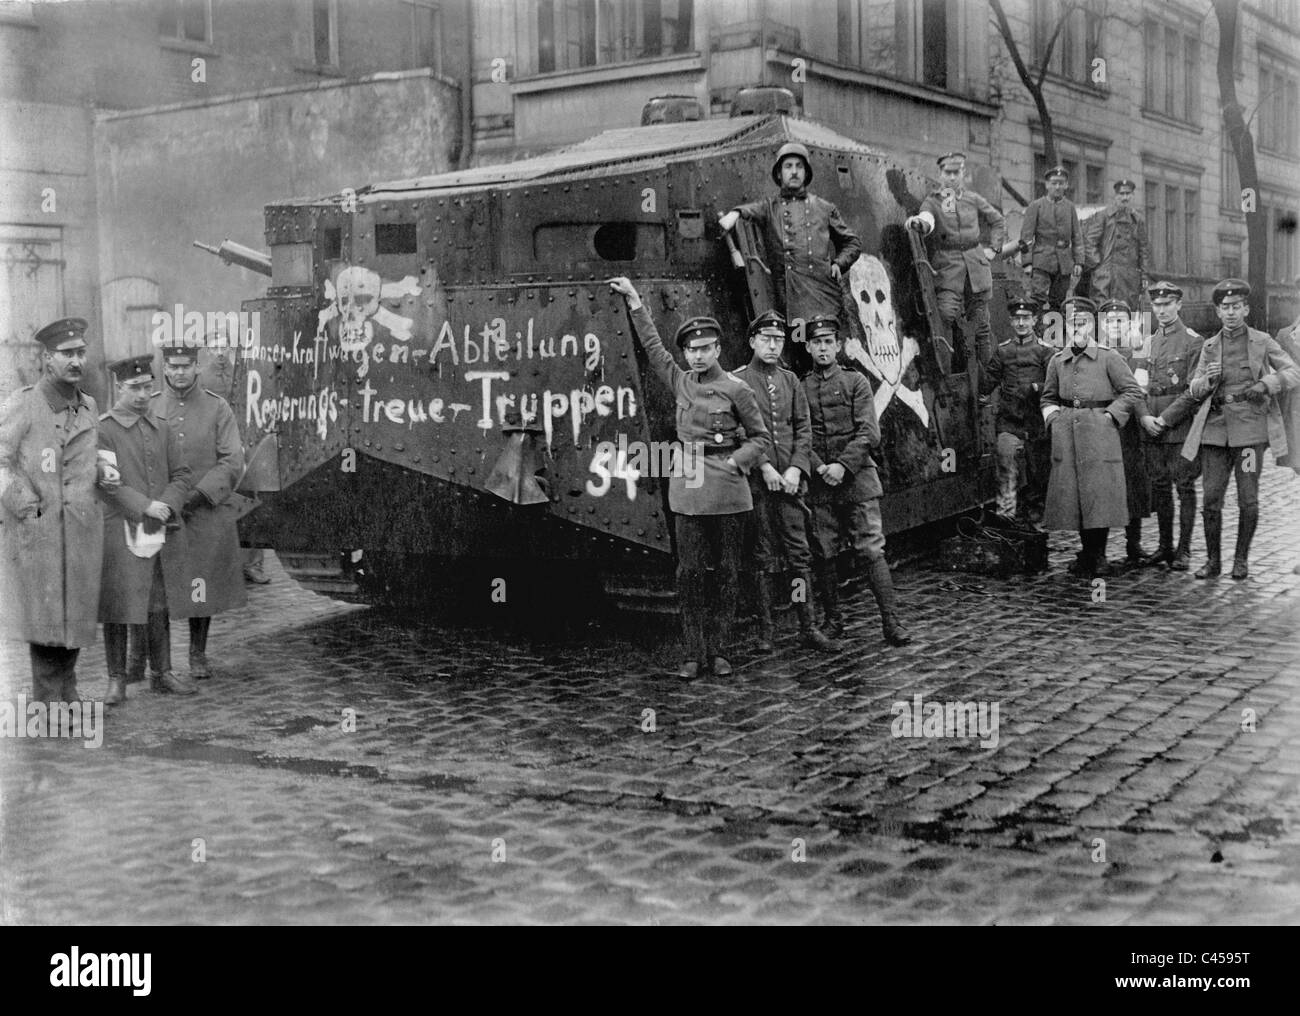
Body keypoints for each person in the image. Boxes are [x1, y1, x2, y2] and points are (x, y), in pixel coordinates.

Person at [609, 277, 769, 679]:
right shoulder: (680, 381)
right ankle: (693, 652)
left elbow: (760, 437)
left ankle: (720, 650)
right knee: (690, 572)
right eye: (691, 350)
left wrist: (738, 462)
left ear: (717, 349)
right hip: (689, 483)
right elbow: (653, 349)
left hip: (729, 487)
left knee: (728, 571)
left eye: (704, 349)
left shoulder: (737, 389)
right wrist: (634, 300)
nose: (697, 356)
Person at [1156, 279, 1300, 579]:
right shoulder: (1209, 346)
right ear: (1218, 312)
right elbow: (1193, 388)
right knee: (1211, 498)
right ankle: (1212, 561)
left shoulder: (1263, 341)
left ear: (1246, 309)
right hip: (1215, 432)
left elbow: (1292, 371)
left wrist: (1266, 383)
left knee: (1248, 498)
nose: (1231, 313)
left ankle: (1241, 559)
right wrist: (1206, 381)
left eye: (1236, 307)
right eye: (1225, 308)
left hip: (1249, 433)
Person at [0, 317, 109, 712]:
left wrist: (102, 471)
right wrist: (26, 507)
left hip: (80, 529)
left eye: (81, 353)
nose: (76, 361)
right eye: (67, 354)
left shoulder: (90, 405)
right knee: (46, 619)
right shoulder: (23, 404)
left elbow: (86, 460)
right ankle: (49, 701)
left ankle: (67, 690)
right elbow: (1, 460)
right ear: (48, 358)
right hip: (41, 531)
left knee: (75, 615)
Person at [732, 310, 839, 653]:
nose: (773, 346)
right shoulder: (739, 381)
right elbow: (739, 430)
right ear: (752, 341)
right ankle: (767, 632)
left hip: (792, 485)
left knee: (799, 556)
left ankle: (807, 626)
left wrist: (795, 469)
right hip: (759, 485)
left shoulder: (791, 381)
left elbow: (802, 430)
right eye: (766, 339)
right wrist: (765, 467)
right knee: (762, 557)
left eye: (779, 340)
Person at [802, 316, 911, 646]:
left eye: (828, 342)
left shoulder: (856, 382)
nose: (823, 348)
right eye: (816, 342)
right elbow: (800, 435)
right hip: (821, 485)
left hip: (857, 480)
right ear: (808, 347)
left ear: (837, 346)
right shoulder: (801, 386)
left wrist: (842, 467)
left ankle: (891, 622)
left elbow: (869, 433)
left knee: (871, 549)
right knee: (824, 552)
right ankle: (833, 622)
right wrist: (822, 468)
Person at [97, 354, 194, 702]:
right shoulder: (104, 429)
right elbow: (107, 484)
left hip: (158, 528)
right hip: (120, 528)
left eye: (147, 387)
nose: (141, 395)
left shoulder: (162, 427)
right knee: (117, 606)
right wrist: (144, 506)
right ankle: (116, 679)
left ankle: (162, 672)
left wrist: (166, 503)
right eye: (134, 388)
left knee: (158, 604)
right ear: (118, 388)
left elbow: (182, 474)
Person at [153, 341, 247, 678]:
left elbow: (232, 460)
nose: (179, 373)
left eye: (185, 366)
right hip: (161, 512)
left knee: (199, 584)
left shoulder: (216, 408)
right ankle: (160, 665)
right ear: (164, 369)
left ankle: (197, 654)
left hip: (202, 511)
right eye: (173, 367)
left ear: (197, 368)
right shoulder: (151, 407)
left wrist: (199, 494)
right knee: (158, 590)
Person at [1040, 296, 1144, 577]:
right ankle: (1085, 553)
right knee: (1076, 498)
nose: (1078, 328)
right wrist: (1053, 419)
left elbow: (1132, 391)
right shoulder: (1057, 361)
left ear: (1093, 325)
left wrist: (1110, 416)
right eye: (1072, 323)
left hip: (1100, 437)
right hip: (1068, 438)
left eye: (1083, 322)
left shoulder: (1109, 357)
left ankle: (1098, 556)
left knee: (1098, 495)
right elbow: (1048, 397)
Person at [718, 142, 862, 339]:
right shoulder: (770, 207)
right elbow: (750, 209)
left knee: (824, 348)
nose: (794, 172)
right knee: (799, 349)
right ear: (779, 174)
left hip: (823, 294)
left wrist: (839, 263)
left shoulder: (824, 208)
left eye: (799, 166)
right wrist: (734, 214)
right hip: (790, 298)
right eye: (788, 166)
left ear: (806, 173)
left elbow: (852, 242)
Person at [905, 152, 1006, 366]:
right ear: (940, 174)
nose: (951, 177)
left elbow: (997, 221)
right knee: (945, 316)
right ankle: (948, 374)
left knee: (981, 325)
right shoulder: (933, 201)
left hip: (976, 267)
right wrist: (920, 223)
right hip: (949, 267)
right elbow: (927, 218)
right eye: (947, 173)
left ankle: (986, 383)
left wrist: (994, 249)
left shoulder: (973, 199)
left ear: (963, 173)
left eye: (956, 173)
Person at [1134, 282, 1202, 570]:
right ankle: (1164, 546)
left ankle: (1183, 549)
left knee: (1183, 486)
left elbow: (1195, 391)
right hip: (1151, 425)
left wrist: (1165, 419)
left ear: (1179, 305)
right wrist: (1145, 417)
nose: (1161, 310)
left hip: (1178, 427)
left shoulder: (1193, 342)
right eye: (1157, 305)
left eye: (1167, 304)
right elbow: (1135, 387)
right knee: (1159, 486)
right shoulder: (1147, 343)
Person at [980, 297, 1054, 523]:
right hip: (1010, 421)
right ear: (1011, 322)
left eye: (1026, 318)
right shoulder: (1003, 351)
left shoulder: (1045, 352)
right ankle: (1006, 515)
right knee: (1005, 464)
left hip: (1036, 421)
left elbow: (1055, 385)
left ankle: (1035, 517)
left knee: (1038, 472)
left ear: (1034, 321)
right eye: (1017, 319)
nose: (1021, 323)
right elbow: (987, 382)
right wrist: (982, 393)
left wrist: (1036, 388)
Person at [1099, 297, 1153, 564]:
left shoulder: (1138, 354)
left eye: (1120, 321)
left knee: (1133, 485)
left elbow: (1141, 390)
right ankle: (1099, 550)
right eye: (1110, 322)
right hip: (1102, 429)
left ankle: (1134, 545)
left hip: (1130, 431)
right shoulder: (1095, 353)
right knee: (1104, 487)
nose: (1115, 326)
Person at [1020, 166, 1084, 315]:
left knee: (1060, 300)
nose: (1057, 187)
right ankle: (1037, 331)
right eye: (1054, 183)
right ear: (1047, 184)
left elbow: (1077, 236)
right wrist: (1027, 263)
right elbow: (1026, 238)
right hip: (1041, 260)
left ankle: (1055, 334)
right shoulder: (1036, 206)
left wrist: (1079, 261)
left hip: (1064, 262)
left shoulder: (1070, 207)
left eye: (1061, 183)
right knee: (1038, 298)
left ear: (1066, 185)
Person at [1084, 179, 1151, 309]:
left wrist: (1144, 275)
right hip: (1107, 275)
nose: (1125, 197)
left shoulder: (1137, 220)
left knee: (1128, 313)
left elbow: (1143, 249)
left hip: (1129, 277)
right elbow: (1089, 241)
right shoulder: (1104, 216)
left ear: (1132, 196)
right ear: (1115, 196)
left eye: (1128, 194)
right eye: (1121, 194)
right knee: (1103, 311)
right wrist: (1098, 264)